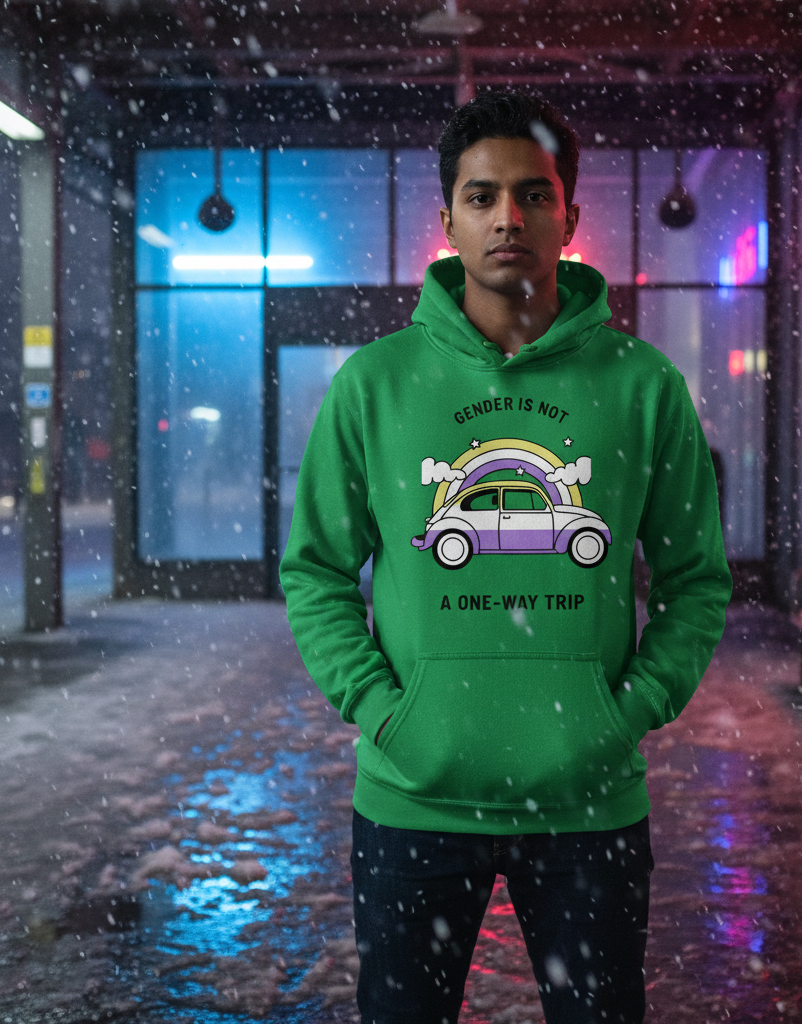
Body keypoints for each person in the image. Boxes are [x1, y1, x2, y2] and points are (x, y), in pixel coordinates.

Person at [280, 90, 731, 1024]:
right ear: (446, 221)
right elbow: (317, 572)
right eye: (482, 197)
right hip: (413, 800)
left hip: (588, 803)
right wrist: (383, 712)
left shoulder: (642, 387)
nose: (507, 219)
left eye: (532, 195)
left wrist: (629, 712)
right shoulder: (375, 385)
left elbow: (695, 581)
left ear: (569, 214)